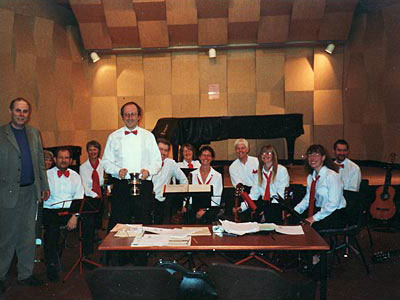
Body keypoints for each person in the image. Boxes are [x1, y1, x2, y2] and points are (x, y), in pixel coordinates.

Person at [0, 97, 50, 292]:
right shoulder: (1, 134)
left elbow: (39, 162)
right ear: (11, 111)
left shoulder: (34, 133)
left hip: (31, 192)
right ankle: (1, 275)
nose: (21, 114)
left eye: (25, 111)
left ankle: (26, 274)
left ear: (29, 114)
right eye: (18, 110)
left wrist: (44, 185)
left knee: (28, 236)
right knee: (6, 237)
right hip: (7, 194)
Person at [102, 101, 162, 230]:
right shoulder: (113, 137)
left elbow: (157, 162)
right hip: (121, 185)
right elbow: (106, 162)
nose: (130, 117)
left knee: (144, 220)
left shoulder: (149, 136)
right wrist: (117, 171)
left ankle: (145, 250)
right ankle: (119, 250)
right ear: (122, 117)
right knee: (119, 222)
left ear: (139, 116)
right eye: (127, 115)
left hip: (143, 184)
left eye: (133, 114)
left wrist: (149, 171)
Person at [43, 146, 84, 281]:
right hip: (51, 210)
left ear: (71, 160)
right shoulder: (46, 175)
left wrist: (75, 216)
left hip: (69, 211)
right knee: (52, 230)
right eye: (61, 157)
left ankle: (86, 257)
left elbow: (79, 198)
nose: (63, 160)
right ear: (55, 159)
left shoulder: (76, 176)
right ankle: (51, 265)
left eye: (66, 158)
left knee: (89, 220)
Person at [294, 144, 346, 231]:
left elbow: (333, 204)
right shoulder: (311, 177)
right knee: (294, 222)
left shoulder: (332, 176)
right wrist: (295, 211)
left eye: (316, 154)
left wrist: (313, 218)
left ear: (323, 157)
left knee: (308, 228)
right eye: (310, 155)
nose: (312, 158)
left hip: (335, 214)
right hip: (321, 211)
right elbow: (308, 199)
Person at [236, 145, 289, 224]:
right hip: (264, 202)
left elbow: (280, 194)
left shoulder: (281, 170)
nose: (265, 155)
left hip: (277, 203)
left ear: (274, 155)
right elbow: (254, 194)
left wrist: (267, 212)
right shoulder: (258, 173)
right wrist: (242, 207)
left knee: (267, 217)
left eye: (269, 153)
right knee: (249, 217)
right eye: (263, 153)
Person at [152, 138, 188, 224]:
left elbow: (184, 180)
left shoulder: (171, 163)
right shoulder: (147, 162)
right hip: (148, 201)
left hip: (165, 203)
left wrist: (183, 202)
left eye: (166, 150)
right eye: (160, 149)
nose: (163, 153)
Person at [79, 140, 104, 259]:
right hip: (90, 196)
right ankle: (88, 251)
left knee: (100, 221)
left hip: (103, 195)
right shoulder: (83, 167)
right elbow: (84, 186)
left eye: (95, 149)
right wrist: (95, 196)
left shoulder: (104, 164)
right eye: (90, 149)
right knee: (89, 223)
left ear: (99, 151)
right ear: (87, 151)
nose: (93, 152)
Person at [189, 146, 223, 224]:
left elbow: (217, 197)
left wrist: (205, 210)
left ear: (212, 158)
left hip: (211, 208)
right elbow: (189, 195)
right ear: (199, 157)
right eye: (204, 155)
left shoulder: (217, 175)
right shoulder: (192, 174)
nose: (206, 158)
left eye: (208, 155)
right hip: (195, 207)